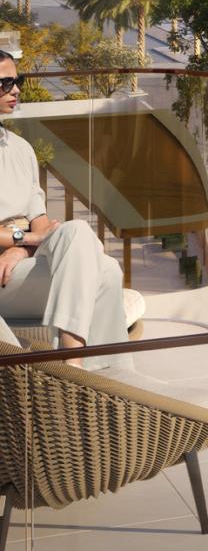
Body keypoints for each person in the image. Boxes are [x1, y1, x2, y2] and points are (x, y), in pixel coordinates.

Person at [0, 51, 129, 369]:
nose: (16, 89)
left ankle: (83, 367)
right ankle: (90, 372)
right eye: (5, 83)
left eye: (17, 80)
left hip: (20, 260)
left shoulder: (21, 149)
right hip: (3, 274)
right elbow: (33, 234)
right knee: (106, 271)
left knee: (81, 236)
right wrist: (22, 239)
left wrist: (22, 248)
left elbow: (40, 223)